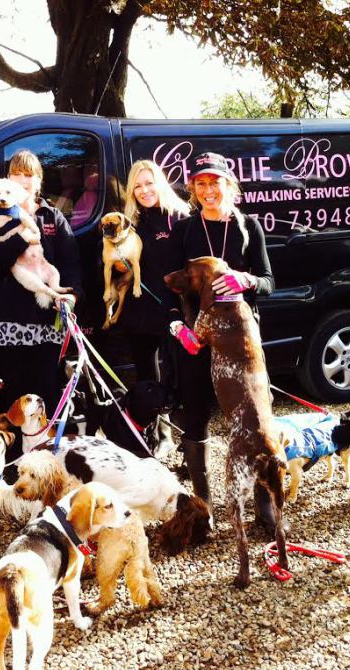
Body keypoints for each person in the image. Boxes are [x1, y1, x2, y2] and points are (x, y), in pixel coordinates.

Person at [169, 152, 277, 530]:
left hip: (240, 341)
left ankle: (265, 501)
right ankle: (204, 507)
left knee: (256, 417)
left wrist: (247, 280)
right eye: (200, 184)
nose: (208, 190)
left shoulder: (248, 226)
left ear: (228, 185)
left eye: (215, 182)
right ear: (193, 190)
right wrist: (178, 326)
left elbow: (269, 281)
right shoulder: (185, 229)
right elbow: (172, 285)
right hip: (196, 336)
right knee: (195, 414)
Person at [0, 150, 82, 426]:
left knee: (45, 394)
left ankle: (46, 447)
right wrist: (22, 237)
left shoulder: (53, 216)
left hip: (46, 324)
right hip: (6, 324)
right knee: (12, 397)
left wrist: (71, 296)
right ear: (7, 179)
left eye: (29, 175)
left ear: (39, 180)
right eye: (17, 174)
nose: (23, 180)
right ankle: (13, 448)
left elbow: (70, 264)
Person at [115, 160, 191, 455]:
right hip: (140, 311)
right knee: (148, 379)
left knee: (178, 376)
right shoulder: (130, 223)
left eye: (149, 183)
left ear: (160, 183)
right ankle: (161, 436)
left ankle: (190, 441)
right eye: (137, 186)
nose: (144, 191)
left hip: (174, 310)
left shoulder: (180, 217)